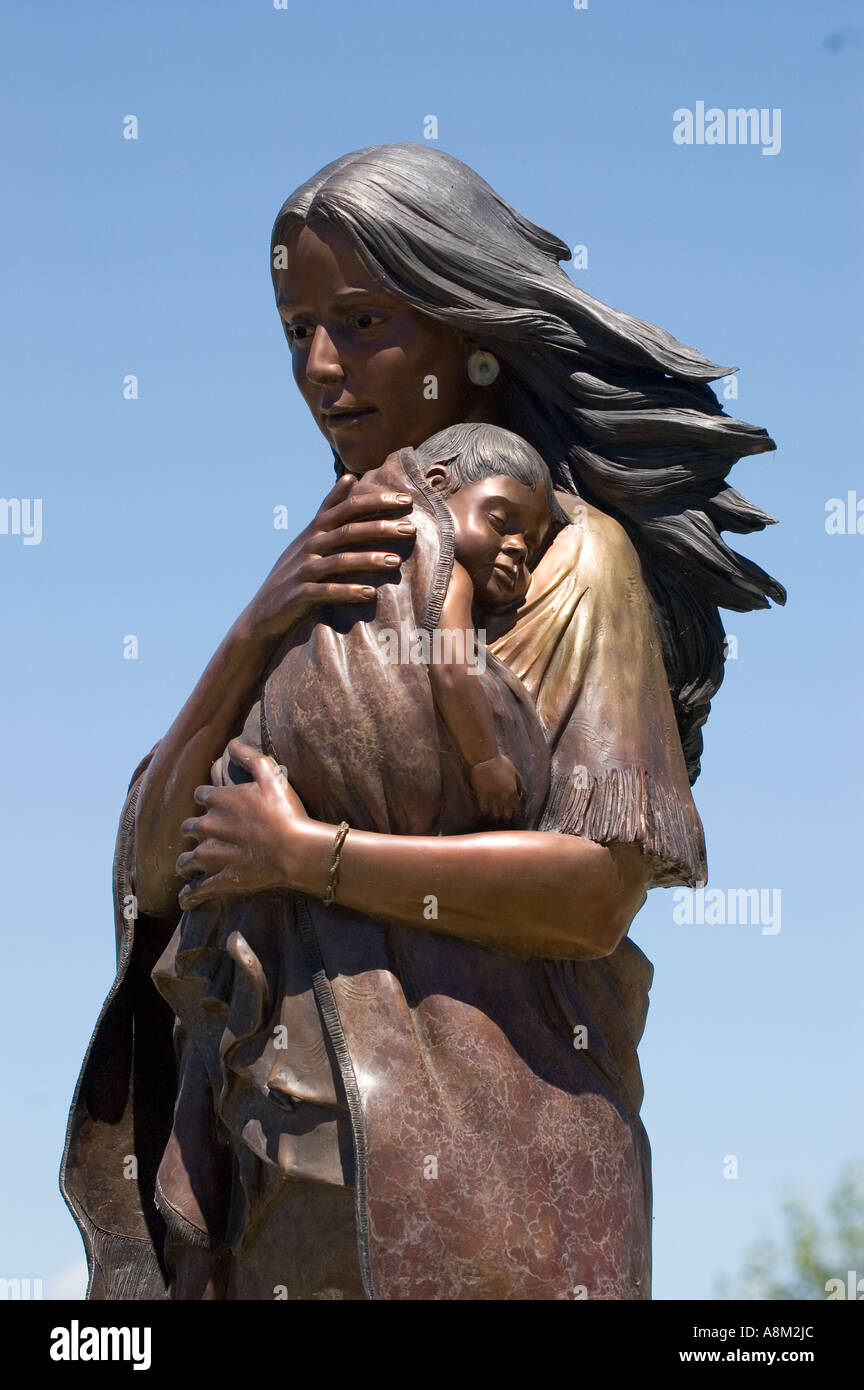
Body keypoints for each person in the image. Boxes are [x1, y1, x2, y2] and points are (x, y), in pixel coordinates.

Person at [61, 142, 784, 1301]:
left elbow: (595, 891)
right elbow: (161, 875)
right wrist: (254, 628)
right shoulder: (322, 580)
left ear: (472, 335)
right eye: (297, 328)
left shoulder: (564, 568)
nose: (318, 364)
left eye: (359, 321)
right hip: (282, 1196)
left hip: (496, 1197)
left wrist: (315, 859)